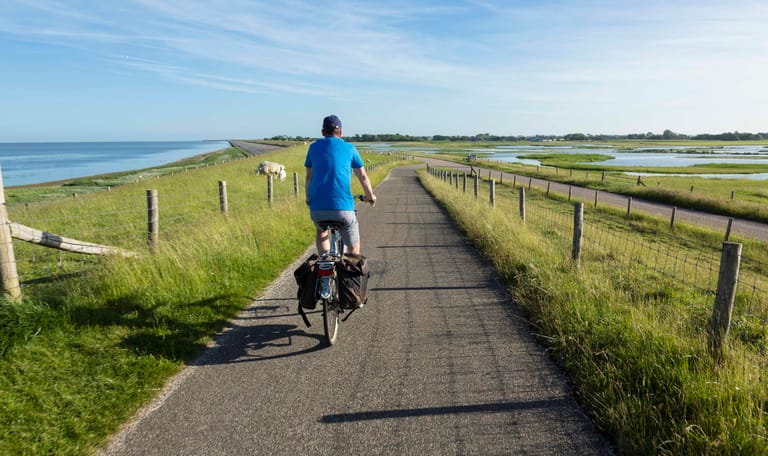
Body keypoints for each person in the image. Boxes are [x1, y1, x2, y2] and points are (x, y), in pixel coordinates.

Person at [304, 114, 376, 256]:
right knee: (354, 249)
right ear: (341, 133)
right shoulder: (349, 148)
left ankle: (325, 261)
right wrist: (370, 196)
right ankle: (349, 270)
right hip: (343, 209)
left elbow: (309, 177)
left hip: (318, 209)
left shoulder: (313, 148)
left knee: (322, 230)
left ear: (323, 132)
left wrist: (308, 198)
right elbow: (362, 176)